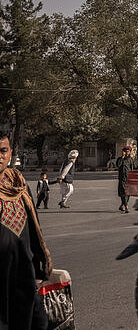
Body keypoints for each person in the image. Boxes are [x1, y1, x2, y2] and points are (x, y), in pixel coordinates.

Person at [0, 130, 52, 330]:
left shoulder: (18, 183)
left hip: (25, 273)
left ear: (10, 152)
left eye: (3, 151)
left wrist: (40, 264)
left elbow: (34, 225)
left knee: (36, 322)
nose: (0, 156)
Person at [115, 146, 134, 213]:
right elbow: (118, 165)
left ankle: (122, 205)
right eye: (125, 151)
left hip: (128, 178)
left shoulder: (130, 159)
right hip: (122, 178)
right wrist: (122, 158)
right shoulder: (120, 159)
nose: (126, 153)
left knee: (128, 193)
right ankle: (126, 207)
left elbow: (132, 168)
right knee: (123, 193)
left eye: (128, 151)